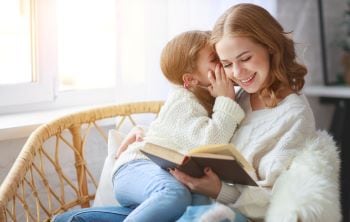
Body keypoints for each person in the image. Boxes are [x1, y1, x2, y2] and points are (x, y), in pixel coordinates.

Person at [53, 3, 316, 221]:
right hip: (191, 198)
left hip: (219, 210)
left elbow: (279, 201)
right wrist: (146, 136)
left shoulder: (292, 116)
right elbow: (193, 131)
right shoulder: (239, 96)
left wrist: (219, 190)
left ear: (270, 46)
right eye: (225, 64)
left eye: (245, 58)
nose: (237, 73)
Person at [53, 30, 245, 222]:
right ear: (190, 80)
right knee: (175, 195)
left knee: (189, 208)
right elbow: (211, 141)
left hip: (159, 179)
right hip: (137, 166)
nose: (224, 63)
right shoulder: (182, 100)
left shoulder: (207, 99)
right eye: (214, 59)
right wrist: (226, 100)